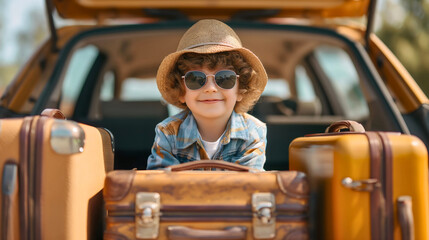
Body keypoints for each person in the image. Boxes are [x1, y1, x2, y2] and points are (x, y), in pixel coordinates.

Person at [147, 19, 268, 170]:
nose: (210, 88)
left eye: (224, 78)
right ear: (181, 91)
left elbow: (247, 186)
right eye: (196, 79)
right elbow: (160, 185)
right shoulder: (168, 132)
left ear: (241, 89)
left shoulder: (253, 131)